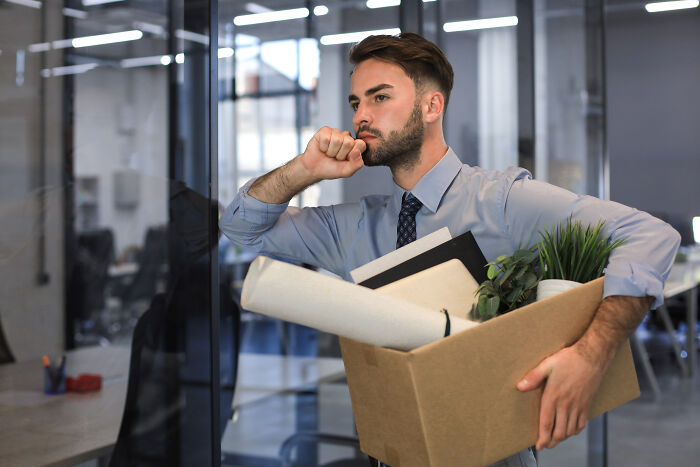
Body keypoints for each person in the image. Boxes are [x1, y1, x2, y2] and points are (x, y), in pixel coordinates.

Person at [220, 33, 680, 466]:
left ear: (431, 105)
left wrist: (592, 355)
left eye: (380, 97)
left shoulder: (501, 201)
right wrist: (305, 169)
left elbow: (649, 237)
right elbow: (243, 229)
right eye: (356, 102)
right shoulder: (356, 225)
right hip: (391, 452)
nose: (361, 115)